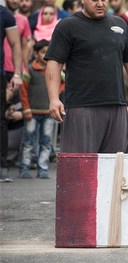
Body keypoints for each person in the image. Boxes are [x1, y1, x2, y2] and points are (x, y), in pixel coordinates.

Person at [44, 0, 128, 156]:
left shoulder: (120, 24)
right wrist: (54, 98)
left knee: (116, 167)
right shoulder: (67, 26)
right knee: (80, 167)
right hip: (81, 106)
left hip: (117, 106)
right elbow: (54, 63)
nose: (100, 3)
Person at [18, 40, 59, 179]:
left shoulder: (54, 70)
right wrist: (26, 108)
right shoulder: (29, 70)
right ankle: (24, 167)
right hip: (32, 112)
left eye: (48, 52)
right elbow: (23, 90)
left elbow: (62, 84)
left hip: (48, 113)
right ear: (36, 53)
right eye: (42, 52)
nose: (46, 55)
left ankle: (43, 168)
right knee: (28, 141)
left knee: (46, 142)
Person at [1, 5, 23, 183]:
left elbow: (16, 44)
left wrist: (17, 74)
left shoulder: (4, 13)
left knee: (1, 120)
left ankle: (2, 167)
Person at [4, 0, 32, 78]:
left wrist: (25, 67)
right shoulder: (2, 16)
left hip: (15, 69)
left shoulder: (24, 20)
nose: (15, 1)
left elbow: (24, 47)